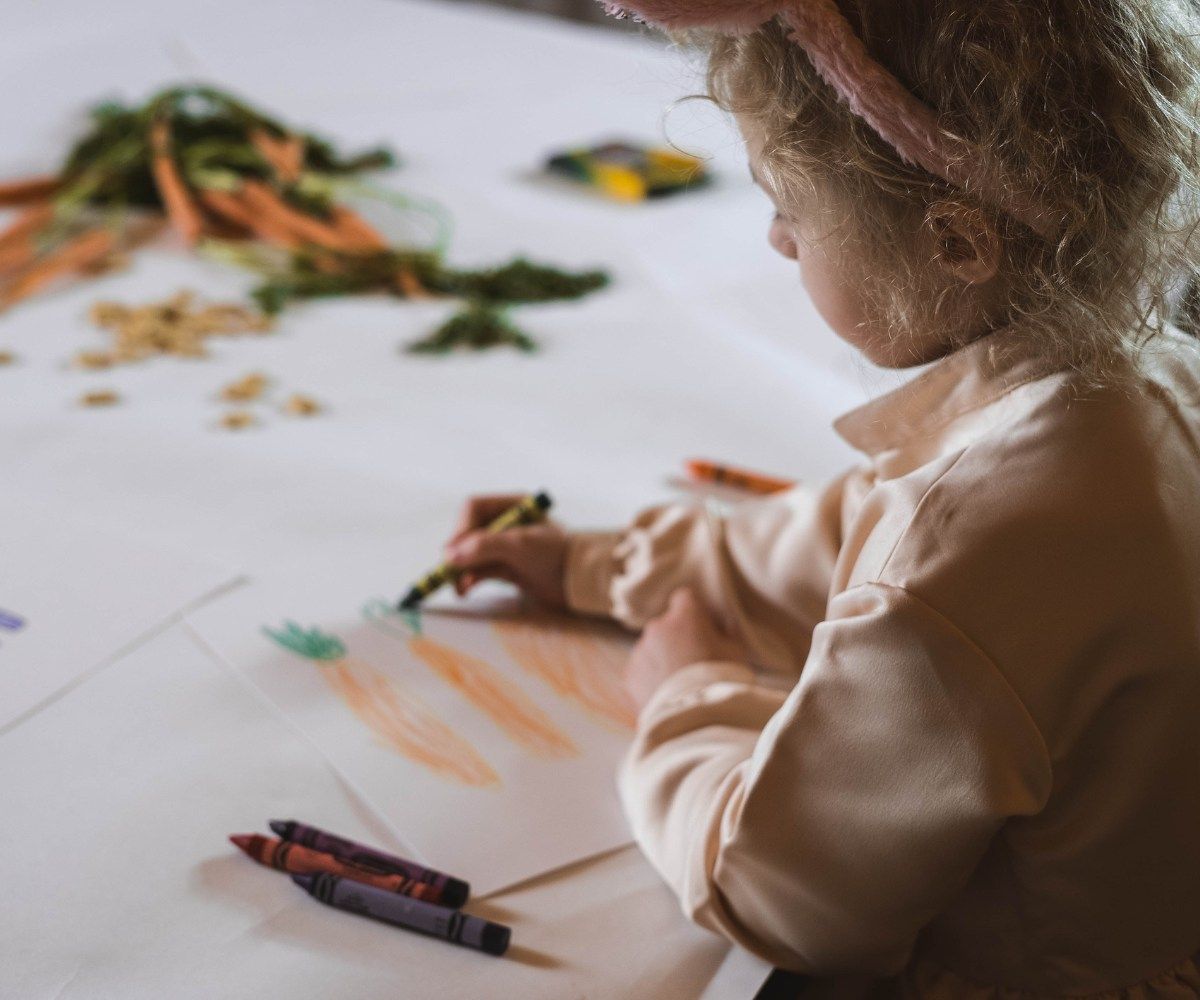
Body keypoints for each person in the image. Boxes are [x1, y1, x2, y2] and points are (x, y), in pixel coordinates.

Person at [444, 1, 1200, 994]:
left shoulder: (973, 551)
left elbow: (779, 897)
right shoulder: (1148, 378)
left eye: (787, 206)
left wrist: (688, 692)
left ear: (957, 242)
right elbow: (846, 532)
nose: (778, 243)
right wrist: (603, 564)